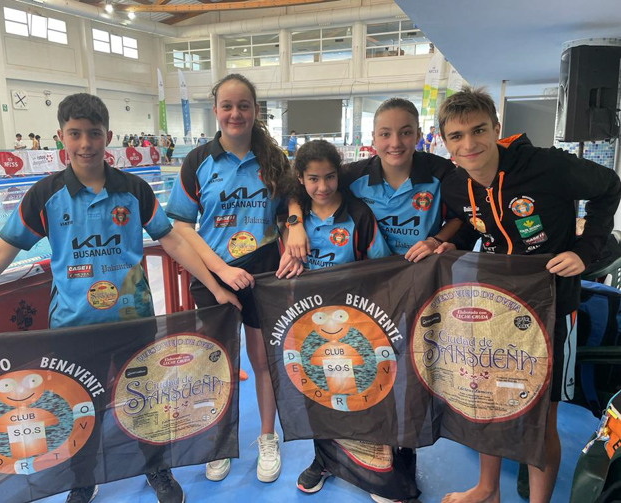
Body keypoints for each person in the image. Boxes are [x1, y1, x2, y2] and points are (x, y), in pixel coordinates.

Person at [0, 93, 240, 503]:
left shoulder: (134, 190)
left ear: (108, 135)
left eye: (94, 133)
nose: (85, 143)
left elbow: (173, 240)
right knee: (75, 406)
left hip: (134, 321)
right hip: (73, 327)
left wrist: (216, 286)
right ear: (60, 136)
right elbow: (1, 251)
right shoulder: (46, 195)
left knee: (145, 400)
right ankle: (82, 478)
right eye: (75, 134)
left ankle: (156, 467)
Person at [435, 87, 621, 503]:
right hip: (493, 307)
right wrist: (448, 242)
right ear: (446, 142)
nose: (469, 144)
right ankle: (487, 490)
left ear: (496, 128)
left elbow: (610, 186)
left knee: (540, 418)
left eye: (479, 130)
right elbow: (474, 223)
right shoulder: (456, 186)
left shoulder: (546, 166)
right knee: (486, 399)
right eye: (457, 136)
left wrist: (584, 251)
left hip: (552, 306)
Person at [281, 97, 462, 503]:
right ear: (373, 138)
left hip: (412, 290)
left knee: (404, 377)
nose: (395, 142)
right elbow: (301, 185)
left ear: (419, 134)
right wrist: (294, 222)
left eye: (405, 132)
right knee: (334, 375)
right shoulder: (353, 176)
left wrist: (437, 239)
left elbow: (464, 214)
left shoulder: (439, 173)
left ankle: (401, 456)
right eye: (385, 133)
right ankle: (326, 458)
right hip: (356, 299)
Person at [165, 73, 292, 484]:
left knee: (262, 360)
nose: (235, 113)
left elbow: (289, 209)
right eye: (227, 106)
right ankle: (218, 440)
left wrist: (294, 231)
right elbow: (181, 227)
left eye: (244, 106)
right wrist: (219, 273)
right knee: (216, 363)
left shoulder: (273, 160)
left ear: (255, 111)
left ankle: (267, 437)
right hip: (213, 273)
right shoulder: (198, 161)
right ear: (215, 110)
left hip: (264, 272)